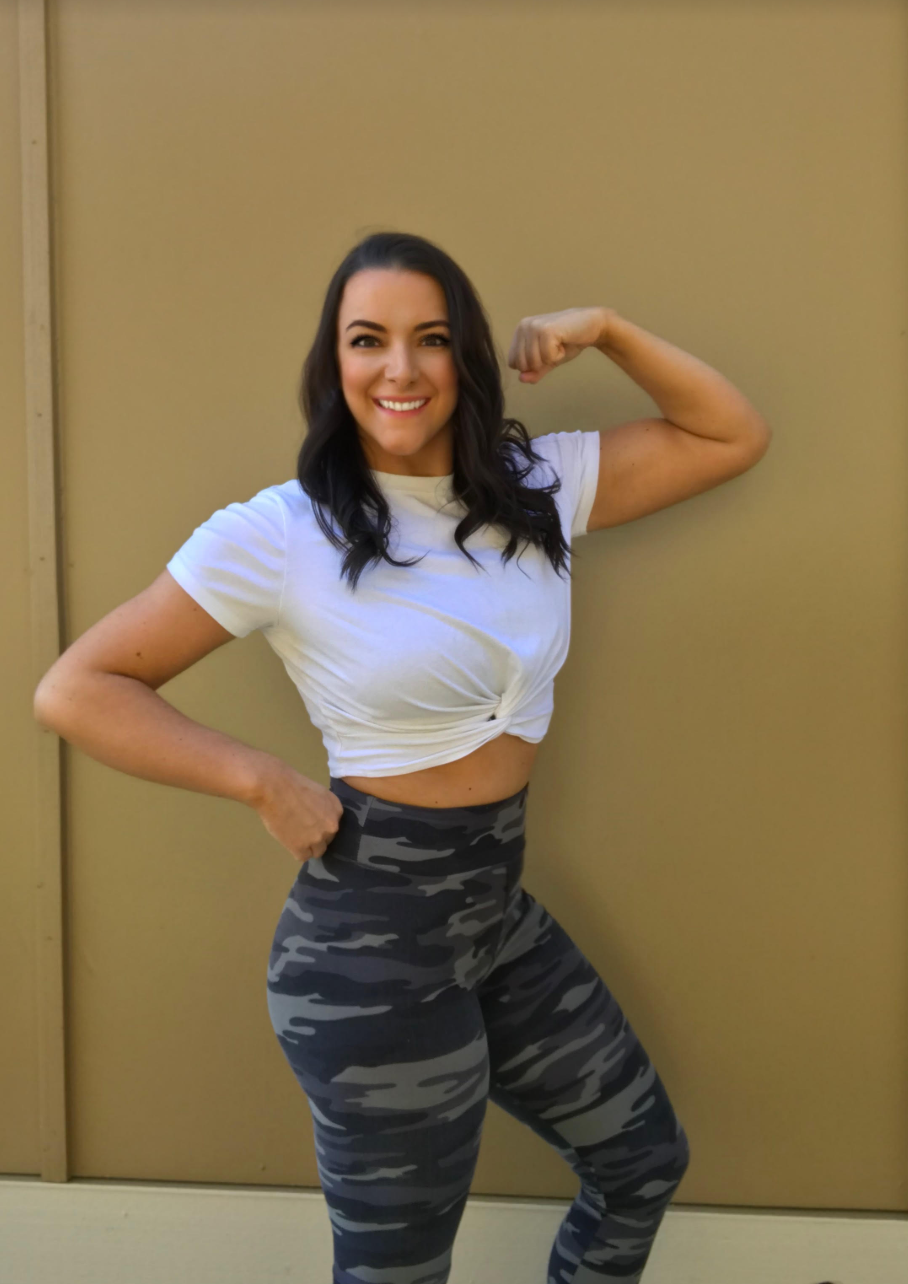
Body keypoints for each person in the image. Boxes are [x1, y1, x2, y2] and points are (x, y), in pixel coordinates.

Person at [33, 230, 771, 1284]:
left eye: (429, 339)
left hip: (492, 914)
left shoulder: (532, 486)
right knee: (397, 1273)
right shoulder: (282, 534)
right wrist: (260, 779)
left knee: (639, 1159)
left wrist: (601, 328)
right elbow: (77, 690)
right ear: (333, 364)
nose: (399, 367)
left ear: (464, 356)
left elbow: (728, 433)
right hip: (369, 951)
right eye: (366, 339)